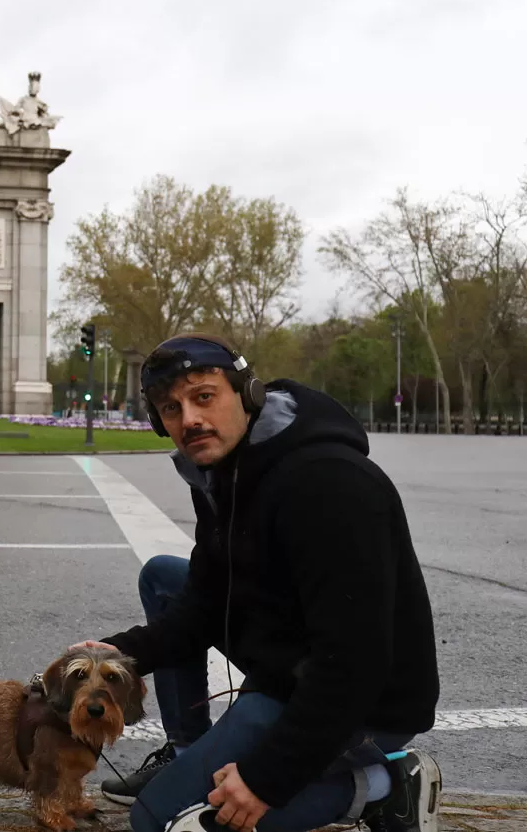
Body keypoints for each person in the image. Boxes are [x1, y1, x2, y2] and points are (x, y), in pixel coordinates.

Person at [79, 333, 441, 832]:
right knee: (165, 577)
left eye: (204, 396)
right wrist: (112, 659)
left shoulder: (331, 483)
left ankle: (385, 784)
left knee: (167, 823)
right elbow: (201, 607)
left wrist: (266, 778)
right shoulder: (221, 471)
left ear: (248, 394)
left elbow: (353, 663)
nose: (189, 419)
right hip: (290, 662)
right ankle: (187, 753)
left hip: (365, 701)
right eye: (170, 408)